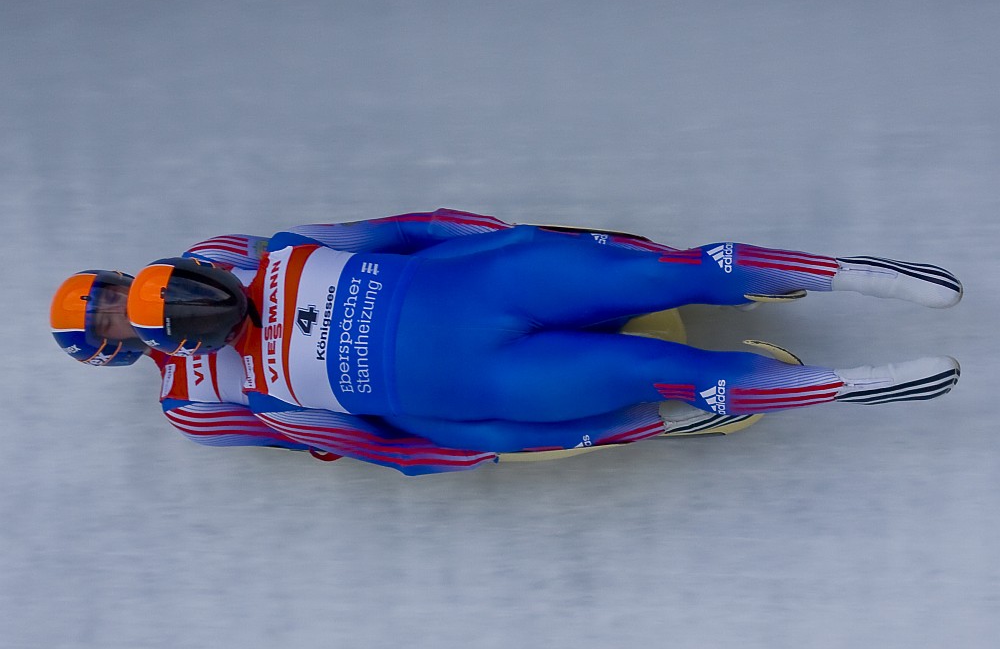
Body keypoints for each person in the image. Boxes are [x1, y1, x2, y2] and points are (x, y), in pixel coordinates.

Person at [53, 209, 962, 475]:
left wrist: (487, 235)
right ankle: (849, 384)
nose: (114, 312)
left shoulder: (222, 252)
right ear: (119, 349)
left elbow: (376, 236)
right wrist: (494, 444)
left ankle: (841, 271)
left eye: (103, 296)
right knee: (652, 368)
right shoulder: (197, 406)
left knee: (661, 273)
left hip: (483, 286)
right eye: (104, 324)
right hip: (478, 382)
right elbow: (357, 441)